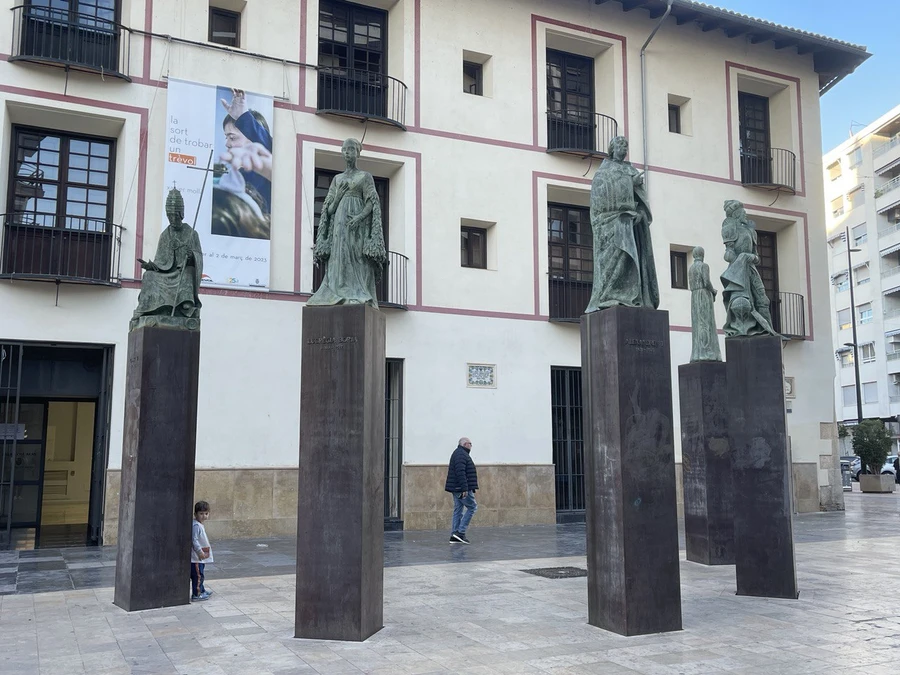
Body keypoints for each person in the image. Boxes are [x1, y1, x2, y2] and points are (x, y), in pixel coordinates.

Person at [308, 138, 388, 307]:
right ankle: (338, 290)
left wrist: (359, 217)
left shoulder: (365, 177)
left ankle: (358, 291)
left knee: (357, 257)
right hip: (339, 223)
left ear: (357, 152)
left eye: (351, 149)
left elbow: (371, 202)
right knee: (340, 255)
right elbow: (328, 210)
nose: (347, 153)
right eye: (344, 150)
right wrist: (337, 198)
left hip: (358, 224)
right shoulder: (337, 179)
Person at [585, 135, 659, 312]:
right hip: (609, 224)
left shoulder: (631, 170)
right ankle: (609, 295)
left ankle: (632, 296)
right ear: (612, 149)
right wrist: (628, 183)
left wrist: (640, 213)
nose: (623, 149)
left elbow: (641, 200)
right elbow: (600, 199)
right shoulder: (603, 172)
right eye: (620, 145)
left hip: (631, 225)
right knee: (618, 255)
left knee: (631, 254)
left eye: (626, 146)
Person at [132, 187, 203, 328]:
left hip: (181, 272)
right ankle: (148, 309)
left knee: (188, 273)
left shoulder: (191, 233)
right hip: (167, 273)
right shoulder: (165, 235)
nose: (173, 219)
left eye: (175, 216)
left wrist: (191, 257)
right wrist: (151, 266)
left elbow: (199, 258)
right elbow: (160, 260)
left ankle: (185, 304)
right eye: (170, 216)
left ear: (181, 214)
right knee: (149, 276)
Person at [220, 89, 273, 214]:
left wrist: (242, 117)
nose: (227, 144)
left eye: (232, 137)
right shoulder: (235, 178)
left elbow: (269, 146)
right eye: (226, 137)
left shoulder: (270, 173)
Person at [688, 246, 722, 362]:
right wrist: (713, 291)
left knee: (697, 325)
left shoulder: (691, 268)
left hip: (694, 296)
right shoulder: (704, 266)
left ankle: (697, 353)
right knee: (705, 323)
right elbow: (706, 282)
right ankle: (706, 352)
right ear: (702, 254)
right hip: (703, 295)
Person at [444, 437, 478, 544]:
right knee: (472, 507)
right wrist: (464, 488)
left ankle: (454, 535)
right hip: (461, 488)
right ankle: (460, 532)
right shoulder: (461, 454)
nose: (471, 446)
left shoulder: (460, 453)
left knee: (458, 509)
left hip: (457, 487)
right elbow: (460, 472)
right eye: (470, 444)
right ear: (465, 444)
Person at [191, 501, 213, 602]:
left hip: (200, 557)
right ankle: (197, 593)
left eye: (206, 513)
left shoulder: (199, 525)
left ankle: (202, 590)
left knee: (201, 574)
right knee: (198, 575)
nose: (204, 516)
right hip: (196, 558)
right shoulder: (196, 526)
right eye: (201, 513)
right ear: (196, 514)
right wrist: (200, 552)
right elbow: (194, 540)